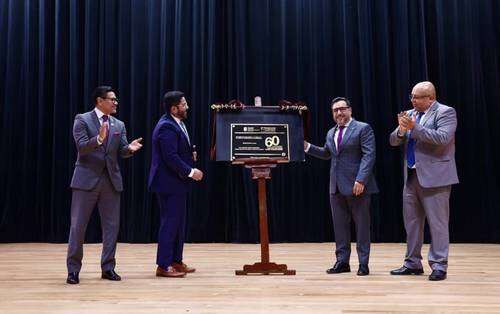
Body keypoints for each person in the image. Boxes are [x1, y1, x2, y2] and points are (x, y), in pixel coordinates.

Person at [66, 86, 143, 284]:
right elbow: (82, 147)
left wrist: (130, 149)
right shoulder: (82, 119)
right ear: (100, 101)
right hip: (86, 180)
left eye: (116, 100)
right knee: (78, 227)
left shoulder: (119, 124)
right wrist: (98, 138)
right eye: (112, 99)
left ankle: (108, 268)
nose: (116, 102)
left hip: (111, 181)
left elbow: (122, 150)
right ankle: (73, 270)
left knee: (111, 227)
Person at [389, 81, 458, 281]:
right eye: (412, 96)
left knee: (437, 224)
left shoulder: (446, 112)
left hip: (436, 177)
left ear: (431, 98)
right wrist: (402, 130)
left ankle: (439, 265)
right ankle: (412, 263)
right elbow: (393, 140)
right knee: (412, 224)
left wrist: (415, 128)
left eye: (417, 97)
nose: (413, 100)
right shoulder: (410, 114)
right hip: (411, 176)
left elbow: (442, 138)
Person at [305, 97, 378, 276]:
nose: (339, 113)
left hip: (357, 186)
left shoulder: (363, 128)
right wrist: (307, 147)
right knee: (340, 228)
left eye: (342, 109)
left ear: (350, 110)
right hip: (336, 187)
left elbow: (369, 156)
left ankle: (363, 264)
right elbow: (327, 154)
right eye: (335, 110)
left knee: (361, 227)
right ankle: (342, 262)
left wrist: (361, 180)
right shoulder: (331, 132)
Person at [148, 91, 203, 278]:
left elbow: (179, 151)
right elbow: (170, 157)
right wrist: (190, 171)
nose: (187, 107)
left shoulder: (177, 123)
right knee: (170, 223)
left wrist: (190, 156)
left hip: (177, 183)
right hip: (168, 183)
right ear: (174, 108)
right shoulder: (166, 127)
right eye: (184, 104)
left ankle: (176, 261)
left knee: (179, 223)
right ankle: (163, 265)